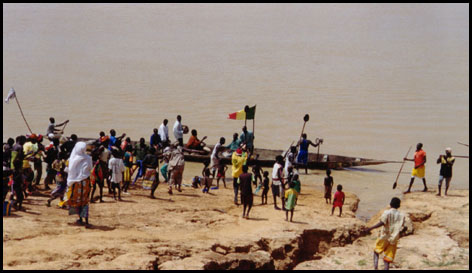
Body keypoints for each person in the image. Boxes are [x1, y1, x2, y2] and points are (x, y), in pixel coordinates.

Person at [366, 197, 406, 270]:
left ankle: (375, 267)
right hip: (394, 239)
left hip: (384, 236)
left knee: (376, 251)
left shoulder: (387, 212)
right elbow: (402, 227)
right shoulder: (402, 215)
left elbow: (382, 222)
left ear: (390, 204)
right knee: (387, 258)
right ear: (399, 206)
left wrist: (371, 228)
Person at [64, 142, 93, 228]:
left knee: (77, 201)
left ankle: (80, 218)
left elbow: (68, 170)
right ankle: (86, 220)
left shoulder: (72, 159)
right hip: (86, 182)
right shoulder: (88, 158)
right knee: (85, 201)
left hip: (75, 183)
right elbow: (90, 168)